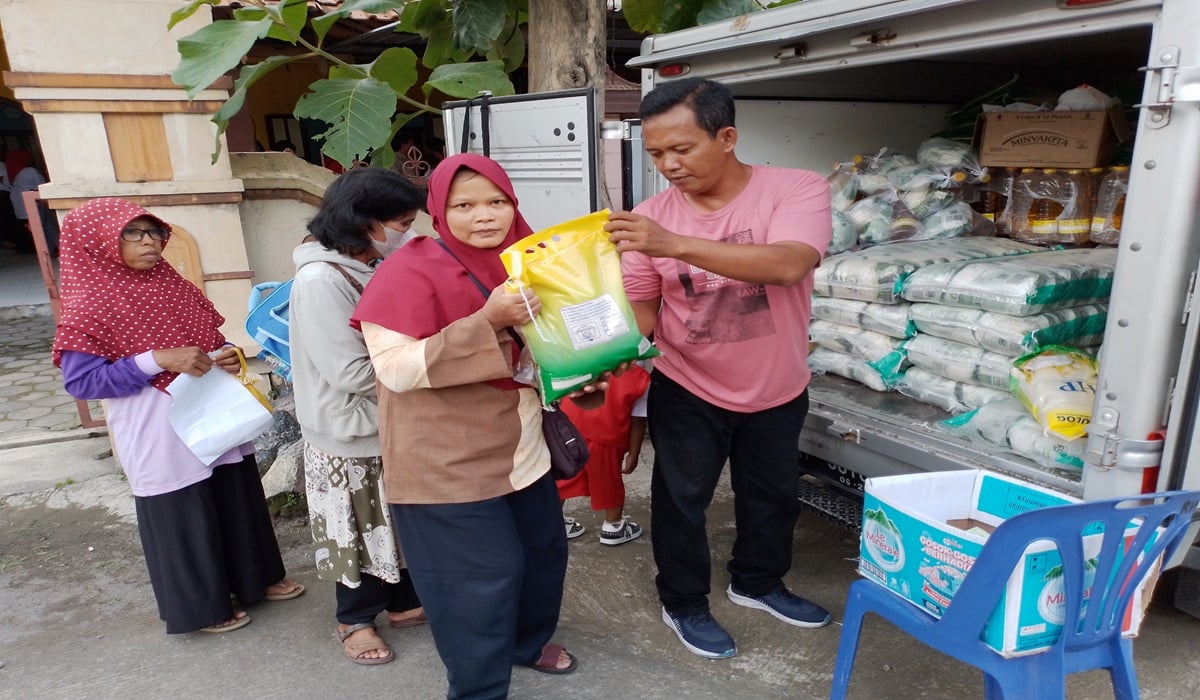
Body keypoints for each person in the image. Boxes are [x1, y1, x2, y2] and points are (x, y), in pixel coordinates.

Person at [606, 77, 834, 659]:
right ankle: (682, 602)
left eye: (682, 149)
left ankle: (757, 582)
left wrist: (674, 244)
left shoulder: (794, 189)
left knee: (774, 495)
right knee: (681, 502)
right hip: (688, 384)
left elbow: (788, 264)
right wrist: (595, 354)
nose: (669, 165)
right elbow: (644, 307)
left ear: (726, 136)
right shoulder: (649, 217)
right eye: (657, 154)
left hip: (779, 384)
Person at [352, 153, 578, 698]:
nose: (485, 216)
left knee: (543, 555)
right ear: (438, 210)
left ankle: (525, 642)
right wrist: (489, 321)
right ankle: (477, 689)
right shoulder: (408, 271)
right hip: (444, 459)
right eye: (465, 205)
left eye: (497, 201)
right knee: (477, 583)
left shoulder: (530, 260)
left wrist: (583, 369)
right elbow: (397, 370)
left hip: (521, 446)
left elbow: (553, 349)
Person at [52, 197, 304, 634]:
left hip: (209, 407)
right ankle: (202, 607)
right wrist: (155, 360)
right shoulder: (88, 304)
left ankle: (255, 580)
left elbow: (210, 340)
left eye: (154, 232)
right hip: (156, 423)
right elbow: (83, 382)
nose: (150, 242)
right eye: (133, 232)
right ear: (98, 242)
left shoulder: (172, 284)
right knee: (181, 508)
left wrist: (227, 357)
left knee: (234, 493)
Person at [289, 167, 428, 665]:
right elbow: (349, 371)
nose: (406, 233)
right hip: (349, 424)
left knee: (394, 519)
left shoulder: (363, 264)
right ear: (365, 221)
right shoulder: (320, 280)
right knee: (360, 523)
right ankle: (355, 619)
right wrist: (426, 369)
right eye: (402, 222)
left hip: (385, 417)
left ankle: (404, 602)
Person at [557, 360, 651, 545]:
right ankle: (613, 527)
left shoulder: (580, 362)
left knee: (563, 478)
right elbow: (638, 419)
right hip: (606, 437)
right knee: (608, 481)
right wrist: (634, 452)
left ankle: (554, 522)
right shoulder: (641, 378)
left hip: (569, 430)